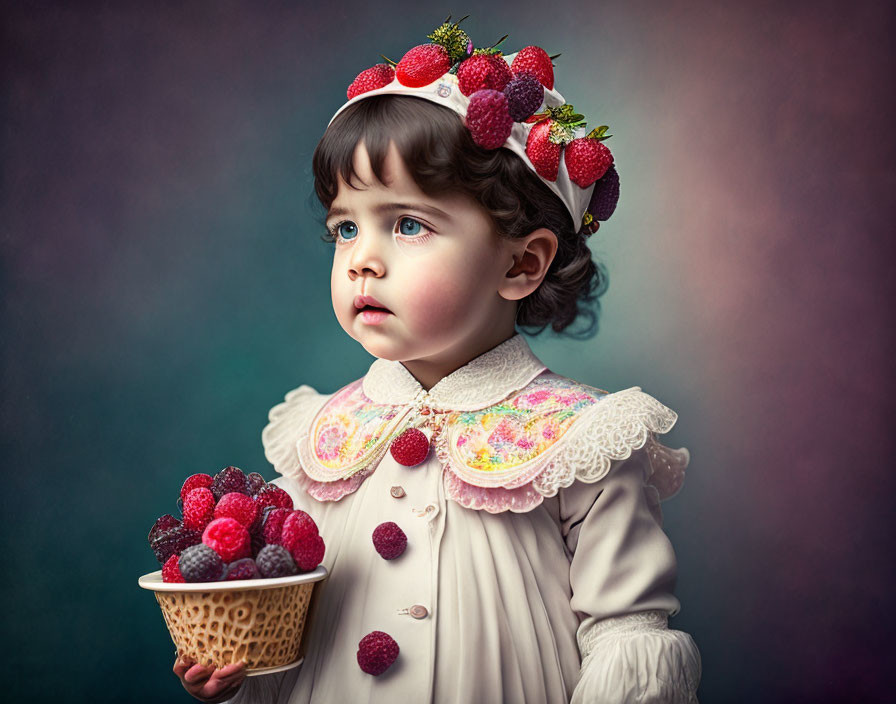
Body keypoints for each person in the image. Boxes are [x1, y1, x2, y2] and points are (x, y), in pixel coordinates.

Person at [174, 16, 701, 703]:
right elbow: (282, 627)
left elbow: (627, 635)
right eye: (345, 227)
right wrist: (236, 668)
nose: (362, 257)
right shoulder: (318, 436)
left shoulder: (584, 440)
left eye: (409, 224)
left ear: (521, 262)